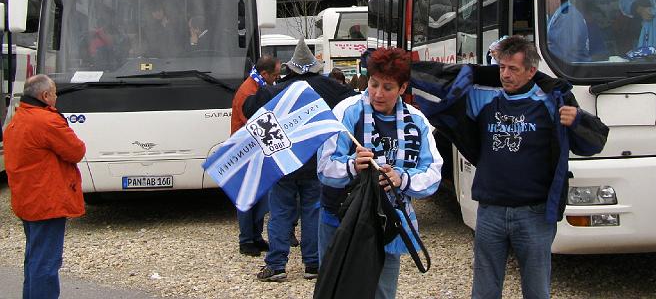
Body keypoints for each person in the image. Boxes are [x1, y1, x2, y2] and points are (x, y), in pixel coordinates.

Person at [456, 36, 607, 299]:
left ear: (531, 71)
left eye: (513, 69)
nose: (505, 75)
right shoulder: (484, 98)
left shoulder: (552, 101)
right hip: (490, 211)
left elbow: (593, 144)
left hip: (534, 214)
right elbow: (446, 94)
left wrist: (578, 120)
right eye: (501, 67)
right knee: (484, 289)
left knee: (537, 289)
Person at [317, 47, 443, 299]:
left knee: (383, 292)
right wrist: (353, 164)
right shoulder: (346, 111)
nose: (378, 93)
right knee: (336, 290)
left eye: (387, 87)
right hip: (340, 219)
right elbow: (325, 168)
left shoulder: (417, 121)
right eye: (374, 84)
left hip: (387, 221)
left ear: (403, 88)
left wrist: (402, 178)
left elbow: (432, 172)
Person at [243, 38, 357, 283]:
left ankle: (277, 264)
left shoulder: (274, 91)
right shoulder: (333, 88)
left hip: (283, 162)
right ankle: (313, 264)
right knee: (314, 211)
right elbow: (354, 105)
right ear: (315, 67)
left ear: (290, 68)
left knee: (280, 213)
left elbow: (248, 108)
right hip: (317, 161)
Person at [4, 74, 86, 299]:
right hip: (47, 201)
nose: (57, 96)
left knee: (34, 259)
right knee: (46, 264)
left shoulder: (18, 119)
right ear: (45, 95)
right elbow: (76, 151)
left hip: (27, 199)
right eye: (55, 92)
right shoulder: (46, 121)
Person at [231, 56, 281, 257]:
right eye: (275, 75)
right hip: (246, 150)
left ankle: (256, 236)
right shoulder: (248, 91)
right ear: (265, 74)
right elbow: (253, 121)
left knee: (259, 194)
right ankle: (246, 240)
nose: (277, 78)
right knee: (247, 195)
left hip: (256, 149)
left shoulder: (256, 86)